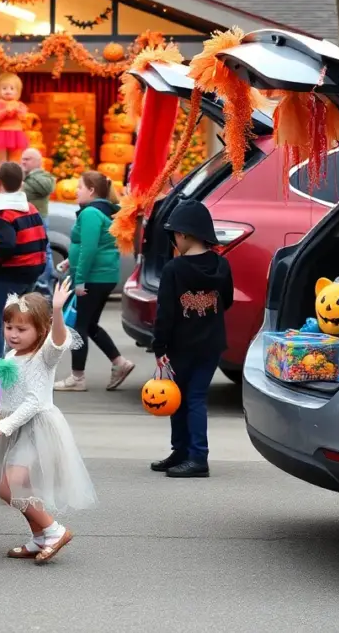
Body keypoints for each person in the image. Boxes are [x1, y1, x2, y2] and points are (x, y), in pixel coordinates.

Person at [0, 278, 97, 564]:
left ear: (39, 330)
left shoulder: (43, 357)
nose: (13, 334)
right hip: (17, 429)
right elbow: (14, 397)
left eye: (21, 329)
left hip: (37, 430)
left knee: (7, 487)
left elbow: (34, 399)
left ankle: (54, 530)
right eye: (9, 328)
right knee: (21, 488)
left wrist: (56, 310)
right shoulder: (13, 355)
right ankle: (39, 537)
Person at [150, 200, 233, 478]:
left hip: (180, 345)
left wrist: (159, 345)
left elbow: (166, 312)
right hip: (211, 345)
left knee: (181, 398)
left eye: (174, 235)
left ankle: (195, 457)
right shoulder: (221, 265)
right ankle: (186, 453)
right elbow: (228, 301)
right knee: (194, 397)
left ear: (184, 234)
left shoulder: (175, 269)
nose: (174, 241)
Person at [55, 171, 136, 392]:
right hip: (103, 275)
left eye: (80, 187)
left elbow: (89, 249)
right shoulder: (103, 211)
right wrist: (70, 263)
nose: (75, 191)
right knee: (89, 324)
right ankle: (120, 363)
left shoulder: (90, 213)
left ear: (91, 190)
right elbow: (95, 247)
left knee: (78, 326)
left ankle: (77, 377)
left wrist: (79, 280)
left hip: (93, 278)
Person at [0, 161, 48, 360]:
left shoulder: (0, 212)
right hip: (33, 269)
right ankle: (27, 360)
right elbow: (43, 238)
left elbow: (6, 245)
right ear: (21, 184)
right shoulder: (30, 208)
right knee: (25, 320)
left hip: (11, 273)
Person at [20, 147, 56, 295]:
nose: (23, 162)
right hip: (26, 218)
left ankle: (44, 281)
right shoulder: (25, 177)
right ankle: (36, 282)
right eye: (22, 159)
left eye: (27, 159)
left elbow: (46, 188)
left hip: (38, 218)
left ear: (38, 162)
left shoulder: (43, 177)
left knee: (43, 251)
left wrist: (26, 178)